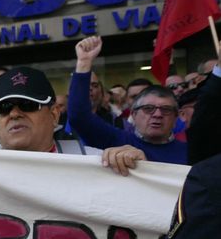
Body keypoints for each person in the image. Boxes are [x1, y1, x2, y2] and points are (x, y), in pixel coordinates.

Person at [0, 65, 147, 176]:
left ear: (54, 115)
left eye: (27, 105)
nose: (14, 114)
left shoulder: (98, 163)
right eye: (5, 108)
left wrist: (140, 170)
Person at [68, 36, 187, 165]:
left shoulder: (191, 152)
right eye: (148, 109)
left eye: (166, 110)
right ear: (133, 115)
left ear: (176, 117)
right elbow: (79, 117)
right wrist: (84, 62)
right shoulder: (118, 140)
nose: (157, 115)